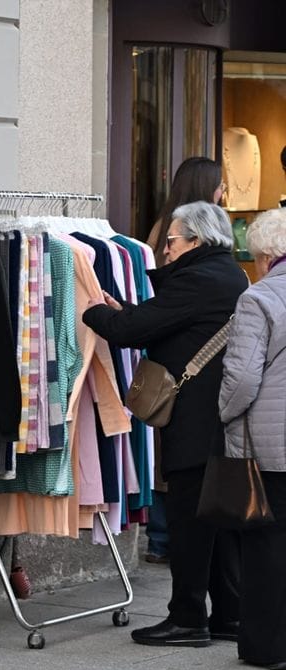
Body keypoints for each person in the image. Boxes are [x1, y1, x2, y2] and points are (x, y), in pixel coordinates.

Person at [83, 201, 247, 647]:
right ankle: (230, 615)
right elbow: (170, 323)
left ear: (195, 239)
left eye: (171, 241)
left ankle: (188, 619)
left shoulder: (197, 279)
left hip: (195, 423)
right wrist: (128, 311)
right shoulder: (228, 274)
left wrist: (93, 309)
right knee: (219, 524)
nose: (165, 250)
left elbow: (130, 331)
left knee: (191, 523)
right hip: (220, 423)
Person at [143, 157, 225, 565]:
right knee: (173, 456)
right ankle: (163, 537)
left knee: (172, 456)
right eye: (220, 185)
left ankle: (162, 537)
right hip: (183, 364)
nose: (224, 193)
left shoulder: (166, 230)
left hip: (173, 358)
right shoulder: (190, 244)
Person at [218, 208, 286, 670]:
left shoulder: (259, 297)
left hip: (273, 444)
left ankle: (268, 647)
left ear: (265, 255)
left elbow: (241, 378)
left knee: (267, 545)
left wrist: (223, 412)